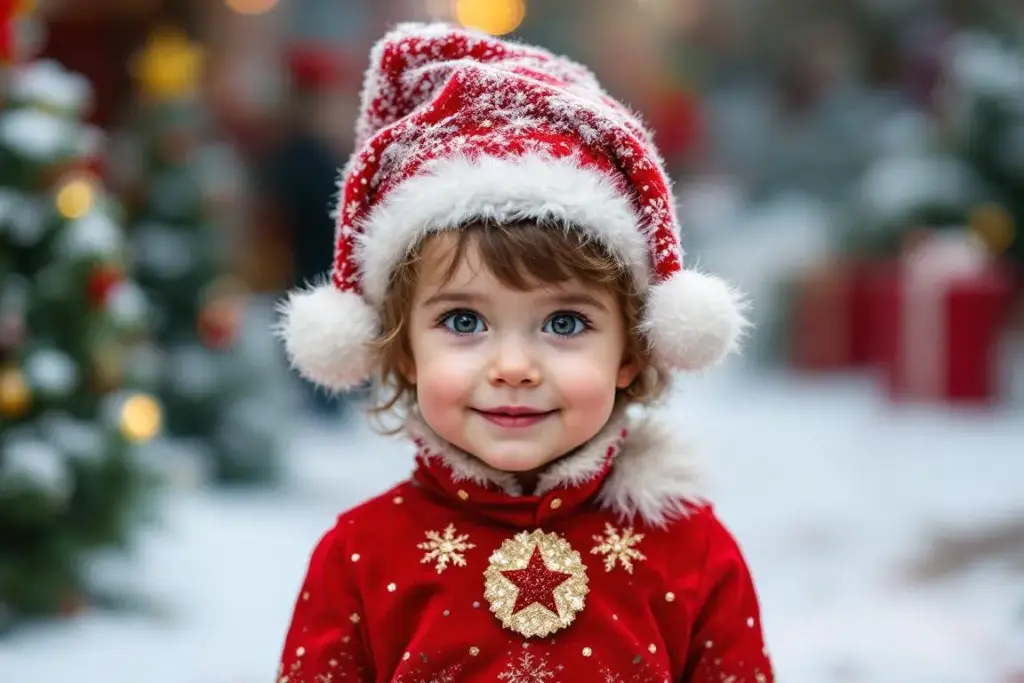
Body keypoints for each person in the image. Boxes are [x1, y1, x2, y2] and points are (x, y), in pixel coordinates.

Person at [274, 23, 771, 683]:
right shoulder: (362, 557)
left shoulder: (691, 553)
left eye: (565, 322)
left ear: (632, 348)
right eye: (463, 319)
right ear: (403, 351)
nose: (513, 366)